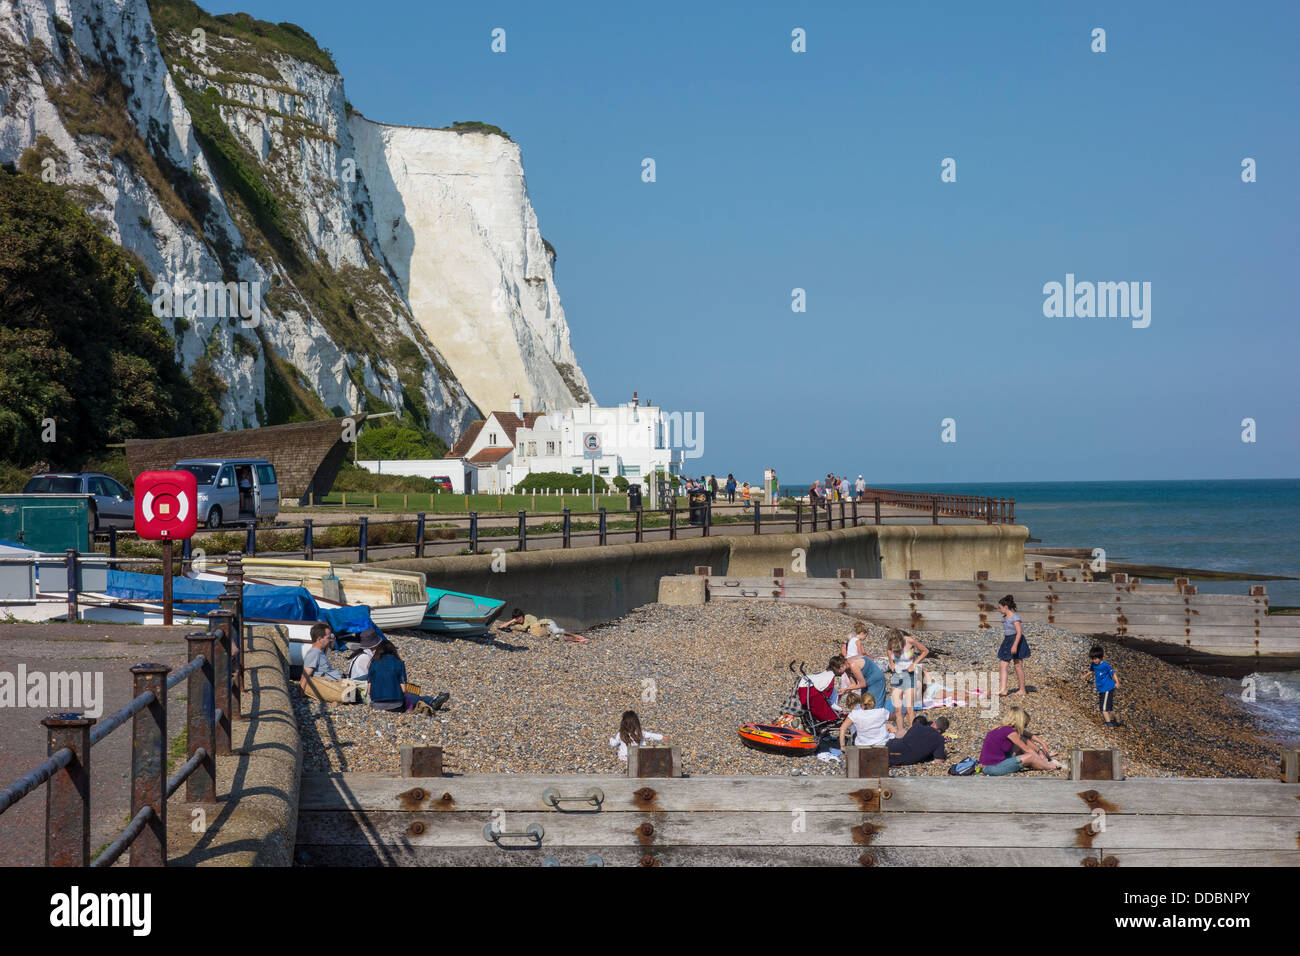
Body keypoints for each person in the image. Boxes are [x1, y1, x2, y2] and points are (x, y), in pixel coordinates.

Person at [360, 639, 449, 713]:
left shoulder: (373, 664)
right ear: (393, 651)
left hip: (376, 706)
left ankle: (432, 700)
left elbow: (369, 690)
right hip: (396, 706)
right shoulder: (399, 663)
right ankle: (432, 700)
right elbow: (403, 690)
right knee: (412, 696)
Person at [978, 707, 1065, 775]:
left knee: (1023, 739)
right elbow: (1028, 751)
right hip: (992, 768)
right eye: (1025, 724)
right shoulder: (1010, 732)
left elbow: (1026, 734)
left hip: (990, 764)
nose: (1025, 726)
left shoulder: (1002, 728)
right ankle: (1049, 766)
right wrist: (1043, 762)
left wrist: (1042, 744)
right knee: (1030, 756)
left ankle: (1042, 757)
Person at [885, 628, 929, 733]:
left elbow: (925, 651)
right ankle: (900, 732)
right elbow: (888, 650)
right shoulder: (891, 642)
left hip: (909, 675)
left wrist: (914, 664)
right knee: (897, 709)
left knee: (909, 708)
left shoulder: (909, 640)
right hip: (896, 675)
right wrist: (891, 662)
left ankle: (913, 732)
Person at [842, 620, 889, 714]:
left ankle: (856, 708)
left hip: (848, 662)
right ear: (863, 633)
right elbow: (860, 655)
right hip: (856, 664)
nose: (865, 638)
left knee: (856, 688)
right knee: (861, 687)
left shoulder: (851, 640)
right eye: (866, 636)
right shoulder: (858, 641)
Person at [798, 655, 849, 725]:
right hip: (819, 706)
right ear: (841, 667)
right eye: (844, 667)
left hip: (808, 698)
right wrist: (840, 710)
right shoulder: (829, 679)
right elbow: (828, 699)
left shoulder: (825, 675)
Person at [997, 594, 1030, 696]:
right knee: (1003, 665)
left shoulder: (1015, 618)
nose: (999, 610)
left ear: (1005, 607)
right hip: (1007, 640)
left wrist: (1015, 645)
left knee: (1018, 666)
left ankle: (1022, 689)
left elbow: (1019, 632)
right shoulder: (1004, 618)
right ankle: (1003, 689)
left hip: (1017, 640)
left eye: (1000, 608)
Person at [496, 607, 588, 643]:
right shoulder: (516, 625)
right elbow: (501, 627)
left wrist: (526, 628)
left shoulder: (528, 617)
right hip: (543, 632)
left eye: (519, 617)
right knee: (558, 638)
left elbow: (535, 623)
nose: (518, 620)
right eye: (516, 618)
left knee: (556, 631)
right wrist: (511, 621)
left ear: (522, 616)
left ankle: (576, 635)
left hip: (545, 624)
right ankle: (577, 640)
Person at [1085, 645, 1121, 728]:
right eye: (1093, 659)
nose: (1094, 660)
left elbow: (1113, 673)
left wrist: (1117, 682)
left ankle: (1108, 723)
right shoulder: (1093, 664)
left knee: (1103, 708)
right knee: (1109, 707)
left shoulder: (1105, 665)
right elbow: (1091, 670)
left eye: (1095, 659)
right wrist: (1085, 676)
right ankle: (1116, 716)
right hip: (1101, 689)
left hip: (1107, 688)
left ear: (1100, 657)